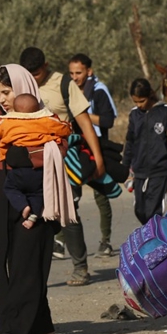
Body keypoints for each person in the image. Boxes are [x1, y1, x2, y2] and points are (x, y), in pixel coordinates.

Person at [0, 64, 76, 334]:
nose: (2, 98)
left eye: (7, 92)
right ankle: (41, 328)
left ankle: (14, 331)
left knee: (25, 265)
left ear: (24, 88)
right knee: (14, 264)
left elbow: (57, 153)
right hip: (4, 197)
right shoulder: (2, 121)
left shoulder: (46, 122)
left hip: (36, 199)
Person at [19, 47, 104, 286]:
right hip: (29, 161)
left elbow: (85, 123)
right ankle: (35, 271)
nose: (33, 78)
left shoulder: (64, 83)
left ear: (45, 66)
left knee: (68, 212)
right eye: (29, 73)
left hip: (61, 158)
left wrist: (98, 159)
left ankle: (80, 267)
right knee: (32, 214)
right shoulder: (19, 86)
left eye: (36, 73)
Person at [0, 93, 73, 228]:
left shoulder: (9, 122)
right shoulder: (46, 120)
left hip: (17, 172)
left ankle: (23, 206)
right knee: (38, 192)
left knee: (9, 188)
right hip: (39, 170)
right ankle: (33, 215)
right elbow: (65, 128)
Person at [68, 54, 117, 256]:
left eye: (78, 73)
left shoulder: (99, 91)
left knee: (101, 195)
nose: (74, 77)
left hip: (96, 145)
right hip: (74, 148)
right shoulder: (67, 90)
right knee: (69, 195)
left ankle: (105, 240)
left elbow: (107, 121)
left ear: (89, 71)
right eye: (71, 73)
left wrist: (83, 116)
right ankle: (63, 241)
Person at [126, 78, 167, 224]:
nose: (139, 105)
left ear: (149, 95)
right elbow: (130, 141)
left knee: (153, 213)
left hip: (160, 170)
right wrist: (126, 166)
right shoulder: (134, 114)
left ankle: (156, 241)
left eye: (141, 101)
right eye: (135, 101)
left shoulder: (166, 112)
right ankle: (153, 234)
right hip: (139, 170)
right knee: (140, 211)